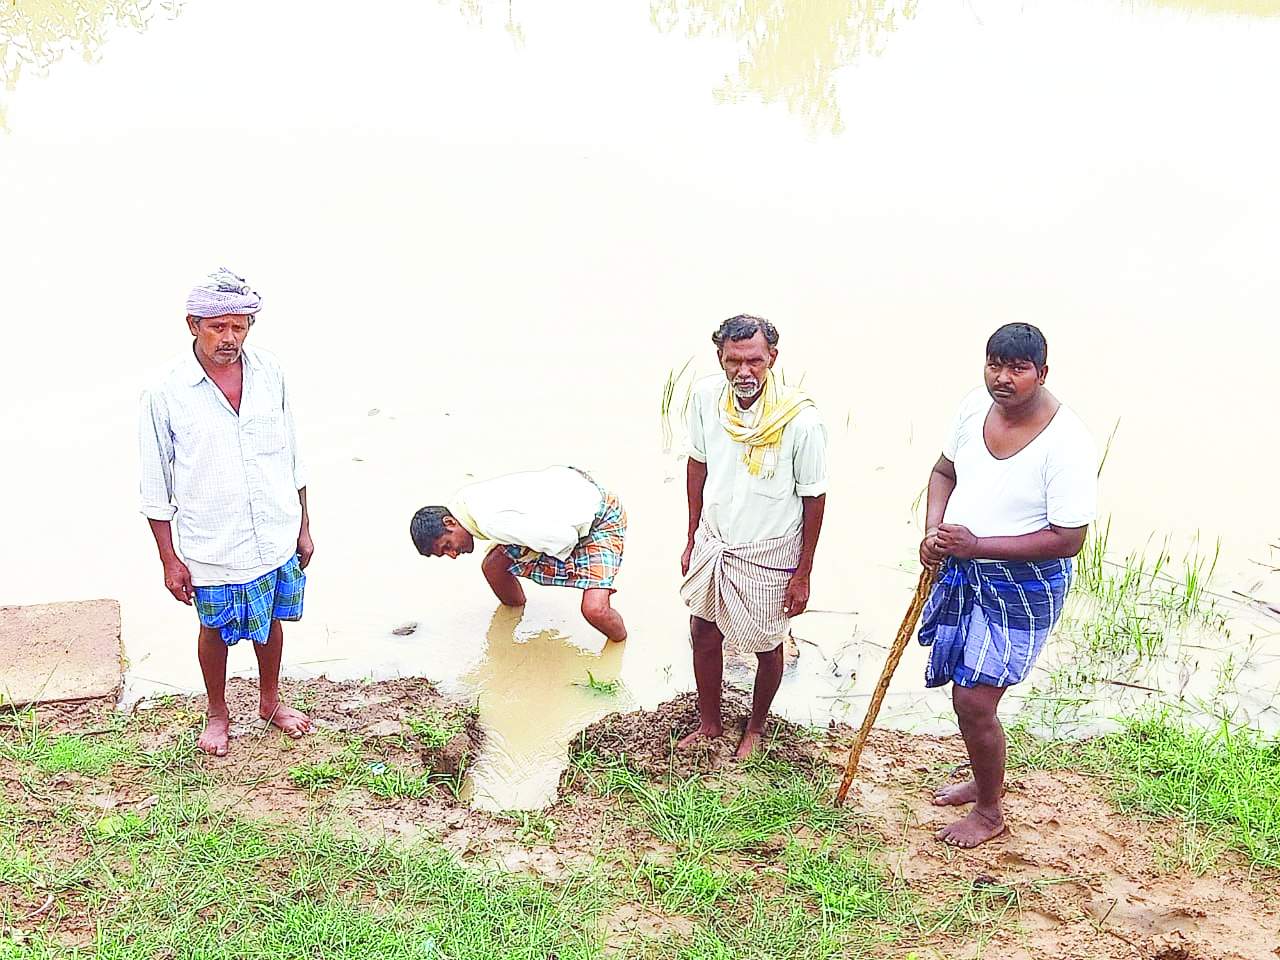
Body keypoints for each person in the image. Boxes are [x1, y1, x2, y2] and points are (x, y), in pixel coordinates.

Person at [918, 322, 1096, 848]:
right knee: (966, 692)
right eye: (995, 365)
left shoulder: (1067, 443)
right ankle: (983, 778)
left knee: (973, 699)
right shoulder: (974, 406)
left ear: (1042, 373)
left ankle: (991, 812)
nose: (1003, 378)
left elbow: (1067, 539)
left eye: (1018, 369)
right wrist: (934, 531)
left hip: (1024, 582)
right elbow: (942, 472)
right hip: (963, 565)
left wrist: (979, 546)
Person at [139, 268, 314, 757]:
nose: (229, 338)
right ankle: (217, 711)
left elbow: (292, 454)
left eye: (239, 327)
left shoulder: (270, 372)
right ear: (193, 324)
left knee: (272, 620)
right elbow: (155, 484)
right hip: (210, 540)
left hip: (274, 531)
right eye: (218, 327)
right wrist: (169, 559)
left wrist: (303, 525)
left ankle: (270, 702)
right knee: (213, 630)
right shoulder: (165, 390)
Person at [678, 314, 827, 759]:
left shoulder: (801, 420)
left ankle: (756, 728)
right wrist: (691, 538)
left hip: (770, 548)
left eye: (755, 362)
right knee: (703, 630)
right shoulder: (706, 398)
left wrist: (803, 574)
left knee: (767, 643)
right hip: (716, 538)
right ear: (720, 358)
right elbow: (697, 465)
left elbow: (814, 498)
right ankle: (709, 724)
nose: (744, 372)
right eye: (734, 361)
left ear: (772, 359)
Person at [410, 466, 628, 642]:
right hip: (573, 490)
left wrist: (571, 564)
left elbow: (564, 539)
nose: (453, 554)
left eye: (447, 546)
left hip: (599, 517)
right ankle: (512, 620)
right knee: (493, 567)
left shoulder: (490, 522)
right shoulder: (462, 502)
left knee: (595, 610)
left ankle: (619, 649)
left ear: (449, 522)